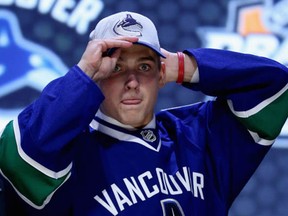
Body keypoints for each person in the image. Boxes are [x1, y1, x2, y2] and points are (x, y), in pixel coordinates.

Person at [0, 11, 287, 216]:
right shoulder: (67, 155)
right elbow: (21, 154)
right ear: (97, 74)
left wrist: (178, 65)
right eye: (116, 67)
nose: (132, 81)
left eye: (145, 67)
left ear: (161, 75)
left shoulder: (199, 136)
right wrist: (83, 75)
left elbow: (275, 86)